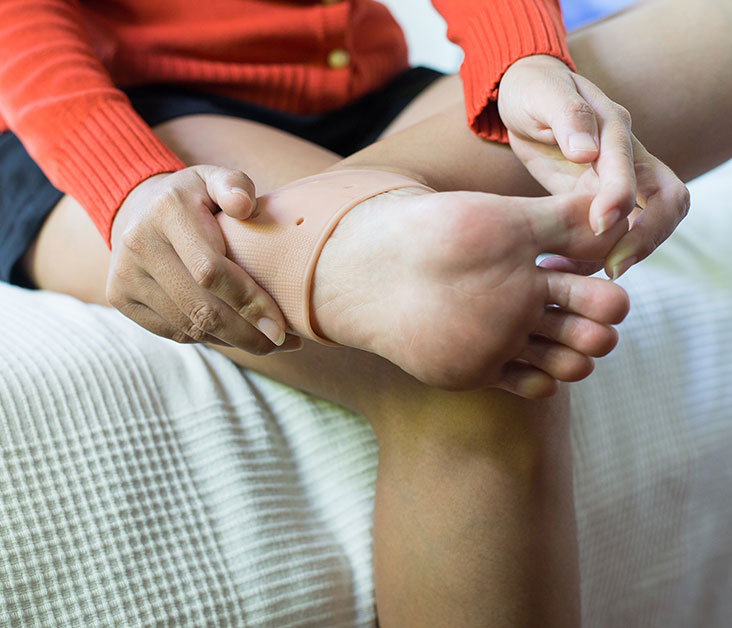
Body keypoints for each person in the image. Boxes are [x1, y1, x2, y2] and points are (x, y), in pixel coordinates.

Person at [0, 0, 719, 626]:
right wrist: (124, 177)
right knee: (483, 376)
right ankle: (343, 241)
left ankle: (354, 226)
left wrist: (523, 61)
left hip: (372, 100)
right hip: (112, 122)